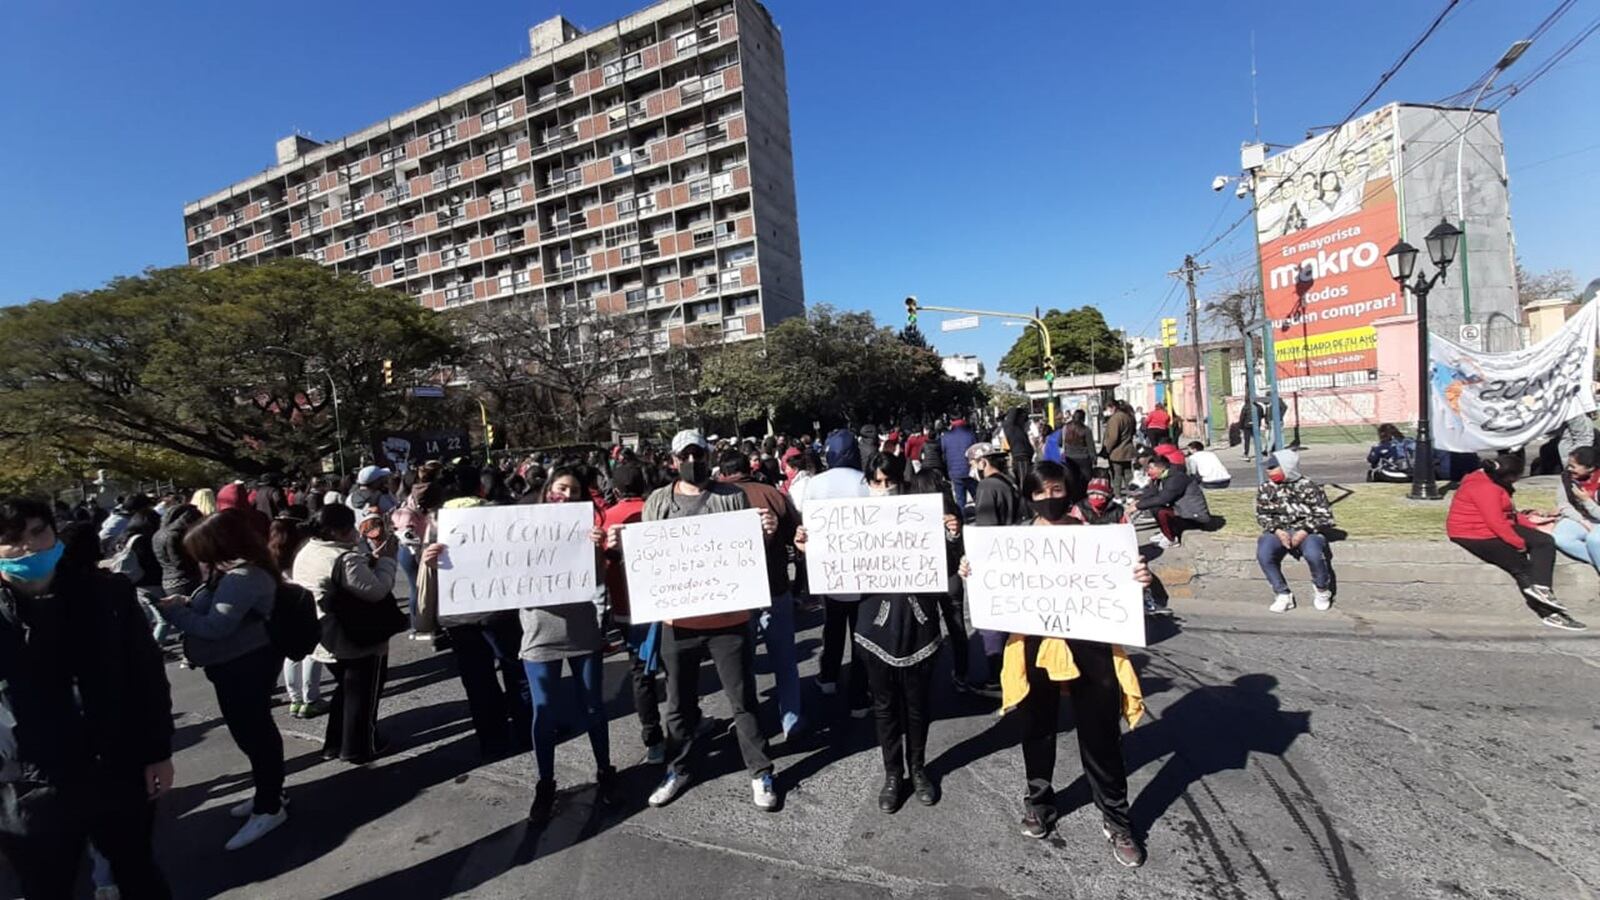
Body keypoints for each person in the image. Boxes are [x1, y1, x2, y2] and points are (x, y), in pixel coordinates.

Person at [957, 463, 1151, 867]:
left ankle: (1116, 818)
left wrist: (1143, 577)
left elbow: (1143, 590)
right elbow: (992, 588)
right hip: (1033, 646)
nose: (1050, 499)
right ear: (1029, 498)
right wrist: (972, 571)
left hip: (1091, 646)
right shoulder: (1016, 542)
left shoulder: (1098, 539)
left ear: (1070, 490)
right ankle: (1039, 802)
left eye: (1057, 489)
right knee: (1037, 729)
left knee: (1100, 734)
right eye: (1040, 493)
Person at [0, 498, 175, 898]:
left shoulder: (107, 593)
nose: (30, 546)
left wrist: (157, 749)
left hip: (116, 763)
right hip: (30, 783)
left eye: (38, 532)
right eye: (11, 539)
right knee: (48, 884)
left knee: (138, 869)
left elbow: (145, 675)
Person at [631, 430, 781, 811]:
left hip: (729, 622)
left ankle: (760, 771)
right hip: (676, 624)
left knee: (743, 699)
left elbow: (749, 555)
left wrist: (766, 534)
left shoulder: (733, 497)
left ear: (709, 455)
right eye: (686, 455)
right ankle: (678, 768)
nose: (693, 461)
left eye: (699, 453)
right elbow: (647, 560)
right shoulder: (658, 502)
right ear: (673, 459)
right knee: (678, 705)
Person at [798, 460, 955, 812]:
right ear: (868, 484)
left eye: (892, 481)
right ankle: (892, 774)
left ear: (903, 481)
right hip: (874, 625)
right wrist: (810, 546)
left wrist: (952, 534)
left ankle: (917, 769)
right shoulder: (853, 521)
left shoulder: (924, 513)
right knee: (884, 708)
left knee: (917, 707)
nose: (885, 488)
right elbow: (832, 565)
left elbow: (949, 566)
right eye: (878, 481)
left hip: (918, 624)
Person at [156, 509, 287, 851]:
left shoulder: (242, 577)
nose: (198, 560)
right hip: (238, 663)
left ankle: (270, 805)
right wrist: (190, 603)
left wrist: (176, 611)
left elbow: (217, 627)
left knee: (255, 733)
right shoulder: (235, 571)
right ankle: (269, 792)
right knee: (252, 732)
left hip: (245, 665)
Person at [513, 466, 615, 823]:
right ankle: (545, 782)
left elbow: (599, 583)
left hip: (582, 630)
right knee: (544, 712)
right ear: (547, 490)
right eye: (561, 488)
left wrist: (600, 551)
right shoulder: (520, 530)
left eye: (574, 491)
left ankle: (605, 770)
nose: (567, 496)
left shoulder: (587, 532)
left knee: (593, 707)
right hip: (539, 633)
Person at [290, 505, 399, 765]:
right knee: (364, 694)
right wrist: (386, 561)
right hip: (356, 634)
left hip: (324, 635)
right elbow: (376, 590)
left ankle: (335, 743)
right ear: (335, 531)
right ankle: (361, 746)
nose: (355, 532)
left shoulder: (308, 550)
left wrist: (370, 559)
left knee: (347, 690)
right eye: (350, 527)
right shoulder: (344, 558)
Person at [1446, 453, 1585, 631]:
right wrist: (1518, 543)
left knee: (1544, 541)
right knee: (1522, 567)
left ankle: (1542, 588)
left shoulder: (1494, 481)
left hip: (1495, 525)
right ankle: (1549, 614)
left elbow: (1507, 514)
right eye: (1515, 478)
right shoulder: (1485, 488)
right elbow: (1495, 521)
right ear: (1507, 476)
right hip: (1473, 533)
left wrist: (1532, 524)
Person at [719, 449, 804, 739]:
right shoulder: (772, 493)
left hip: (736, 595)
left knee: (741, 665)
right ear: (749, 468)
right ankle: (791, 717)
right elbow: (797, 530)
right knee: (784, 659)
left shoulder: (717, 499)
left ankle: (748, 720)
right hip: (775, 586)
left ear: (721, 473)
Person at [803, 435, 872, 716]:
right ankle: (859, 694)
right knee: (861, 633)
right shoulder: (864, 482)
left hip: (829, 569)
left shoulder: (815, 483)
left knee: (832, 627)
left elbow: (805, 519)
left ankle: (828, 676)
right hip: (862, 569)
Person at [600, 463, 663, 763]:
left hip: (625, 610)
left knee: (641, 674)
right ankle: (689, 722)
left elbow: (598, 570)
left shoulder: (605, 520)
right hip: (664, 605)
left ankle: (653, 738)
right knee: (676, 669)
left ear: (614, 491)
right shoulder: (658, 510)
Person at [967, 441, 1021, 693]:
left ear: (982, 462)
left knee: (992, 624)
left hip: (996, 560)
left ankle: (997, 678)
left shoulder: (987, 486)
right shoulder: (1008, 481)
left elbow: (987, 531)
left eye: (973, 463)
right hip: (1013, 554)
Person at [1255, 451, 1336, 613]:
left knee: (1313, 554)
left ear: (1287, 467)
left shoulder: (1309, 486)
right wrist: (1277, 530)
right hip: (1280, 531)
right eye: (1267, 468)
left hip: (1308, 531)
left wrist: (1304, 531)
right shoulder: (1266, 488)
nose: (1268, 471)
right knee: (1264, 552)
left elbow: (1324, 516)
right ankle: (1282, 593)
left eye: (1272, 468)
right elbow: (1262, 515)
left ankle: (1322, 590)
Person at [268, 515, 326, 720]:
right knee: (311, 652)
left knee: (290, 654)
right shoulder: (302, 552)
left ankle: (295, 699)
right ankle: (311, 699)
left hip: (284, 605)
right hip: (306, 603)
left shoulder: (270, 553)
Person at [1134, 454, 1211, 549]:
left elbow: (1164, 498)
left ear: (1161, 468)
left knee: (1159, 509)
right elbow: (1152, 494)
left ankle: (1171, 539)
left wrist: (1138, 506)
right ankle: (1166, 532)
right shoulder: (1161, 477)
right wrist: (1137, 502)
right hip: (1181, 512)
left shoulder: (1177, 477)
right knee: (1153, 505)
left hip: (1194, 517)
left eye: (1151, 468)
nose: (1148, 472)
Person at [1553, 446, 1600, 578]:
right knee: (1560, 538)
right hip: (1580, 518)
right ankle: (1596, 561)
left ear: (1590, 468)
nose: (1569, 469)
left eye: (1574, 466)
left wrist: (1586, 500)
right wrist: (1581, 520)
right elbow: (1563, 503)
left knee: (1594, 540)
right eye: (1569, 465)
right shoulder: (1567, 477)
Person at [940, 416, 978, 510]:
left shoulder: (946, 436)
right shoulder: (970, 434)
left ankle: (963, 519)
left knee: (960, 498)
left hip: (954, 471)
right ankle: (982, 515)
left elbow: (943, 454)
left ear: (950, 421)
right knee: (977, 496)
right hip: (970, 470)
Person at [1102, 401, 1137, 491]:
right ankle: (1131, 494)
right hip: (1127, 450)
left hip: (1117, 451)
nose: (1107, 411)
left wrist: (1107, 449)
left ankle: (1117, 496)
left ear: (1113, 407)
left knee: (1117, 475)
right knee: (1128, 474)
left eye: (1107, 408)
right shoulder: (1128, 416)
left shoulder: (1115, 418)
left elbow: (1113, 437)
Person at [1059, 409, 1096, 481]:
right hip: (1084, 458)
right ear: (1083, 418)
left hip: (1069, 458)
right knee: (1085, 481)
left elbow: (1059, 442)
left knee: (1072, 480)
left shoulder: (1065, 428)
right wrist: (1094, 458)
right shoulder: (1086, 430)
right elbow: (1090, 446)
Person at [1001, 407, 1035, 484]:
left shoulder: (1018, 428)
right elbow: (1013, 412)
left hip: (1023, 455)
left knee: (1024, 478)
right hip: (1021, 456)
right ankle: (1023, 494)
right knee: (1024, 479)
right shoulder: (1010, 426)